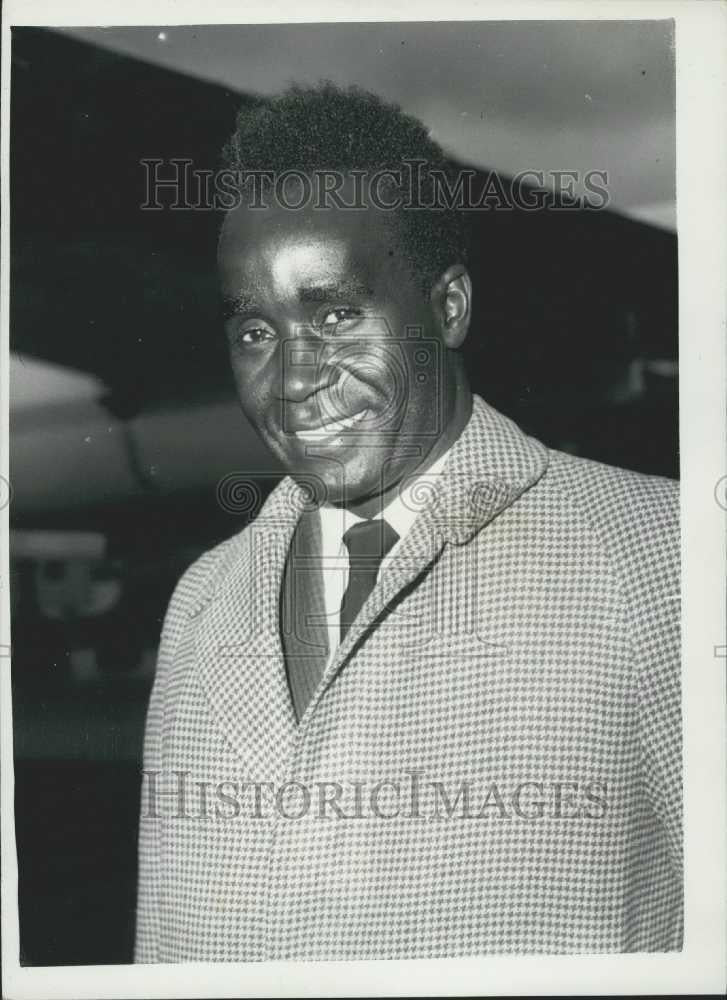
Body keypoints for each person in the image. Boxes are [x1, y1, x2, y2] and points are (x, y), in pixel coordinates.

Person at [135, 84, 681, 962]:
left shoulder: (663, 555)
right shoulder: (202, 598)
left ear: (448, 308)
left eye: (337, 314)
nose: (291, 378)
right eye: (254, 333)